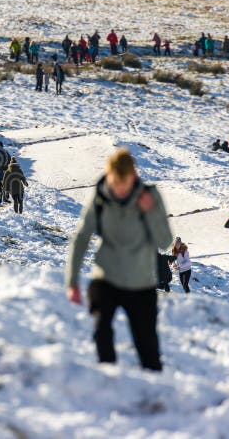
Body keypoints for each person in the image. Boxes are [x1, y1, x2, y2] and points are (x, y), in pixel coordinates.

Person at [66, 148, 172, 371]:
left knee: (148, 348)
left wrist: (150, 212)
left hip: (141, 281)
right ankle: (109, 381)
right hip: (107, 276)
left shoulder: (149, 195)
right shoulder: (100, 196)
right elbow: (82, 236)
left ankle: (153, 394)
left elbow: (164, 241)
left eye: (124, 185)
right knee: (101, 332)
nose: (120, 190)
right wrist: (72, 281)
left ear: (133, 177)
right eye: (116, 183)